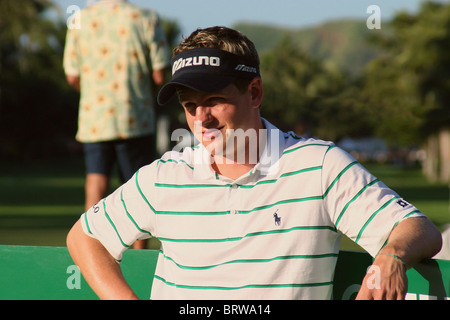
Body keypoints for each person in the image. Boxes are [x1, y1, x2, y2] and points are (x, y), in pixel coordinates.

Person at [66, 26, 442, 300]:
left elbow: (419, 228)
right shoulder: (164, 177)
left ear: (255, 92)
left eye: (213, 99)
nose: (201, 119)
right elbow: (85, 237)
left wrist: (391, 256)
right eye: (189, 106)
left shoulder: (318, 165)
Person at [63, 0, 170, 249]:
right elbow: (158, 75)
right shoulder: (145, 17)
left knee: (96, 182)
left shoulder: (79, 20)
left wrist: (91, 92)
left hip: (94, 117)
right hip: (135, 115)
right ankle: (138, 257)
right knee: (137, 188)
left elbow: (71, 75)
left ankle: (90, 250)